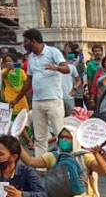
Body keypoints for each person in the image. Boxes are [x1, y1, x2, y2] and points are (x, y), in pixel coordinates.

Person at [18, 122, 106, 197]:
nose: (63, 140)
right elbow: (29, 161)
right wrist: (17, 144)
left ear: (75, 139)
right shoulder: (55, 156)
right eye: (61, 137)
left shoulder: (85, 156)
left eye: (67, 137)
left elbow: (103, 171)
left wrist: (96, 154)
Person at [11, 29, 70, 158]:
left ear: (34, 41)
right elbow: (28, 81)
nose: (24, 44)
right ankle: (40, 165)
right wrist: (17, 99)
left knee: (60, 133)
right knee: (39, 136)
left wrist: (56, 67)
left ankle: (66, 161)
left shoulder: (53, 52)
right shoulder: (31, 57)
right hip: (37, 101)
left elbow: (66, 69)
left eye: (26, 42)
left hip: (53, 99)